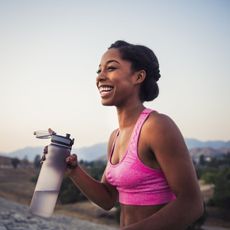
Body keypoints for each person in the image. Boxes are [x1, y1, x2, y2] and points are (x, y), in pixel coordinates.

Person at [43, 40, 204, 229]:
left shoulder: (157, 126)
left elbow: (192, 204)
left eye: (110, 68)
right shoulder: (115, 136)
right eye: (99, 71)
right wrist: (74, 171)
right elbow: (108, 199)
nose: (100, 77)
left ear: (138, 76)